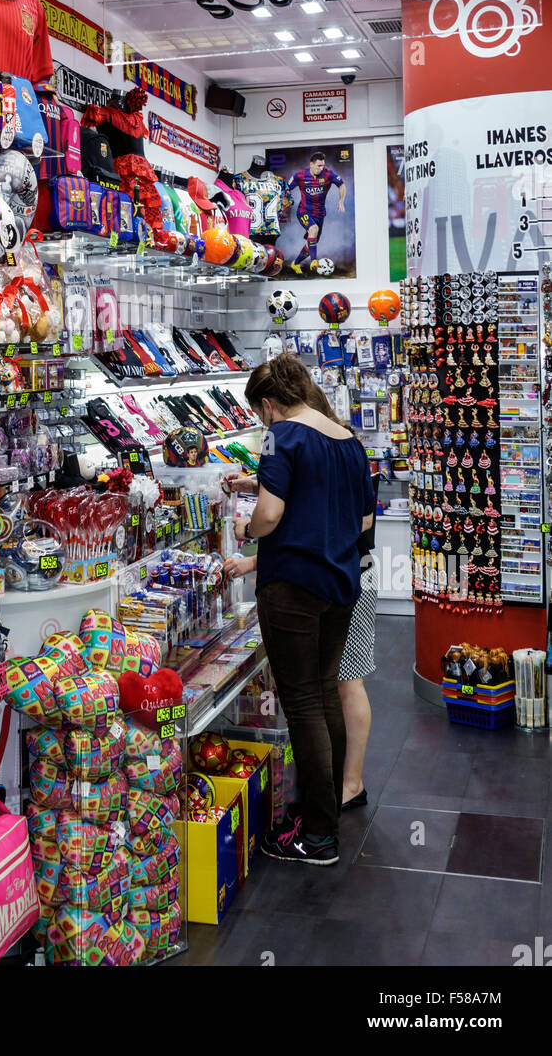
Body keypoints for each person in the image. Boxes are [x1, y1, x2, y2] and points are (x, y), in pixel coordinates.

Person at [223, 354, 374, 865]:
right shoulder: (347, 439)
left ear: (269, 404)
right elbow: (357, 519)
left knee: (303, 702)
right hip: (340, 583)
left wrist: (246, 532)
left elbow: (269, 514)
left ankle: (319, 835)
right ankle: (323, 813)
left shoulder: (283, 437)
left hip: (291, 587)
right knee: (325, 693)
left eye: (261, 412)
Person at [287, 150, 346, 275]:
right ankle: (314, 260)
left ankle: (295, 263)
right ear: (311, 164)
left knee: (311, 242)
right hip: (304, 212)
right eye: (319, 165)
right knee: (313, 229)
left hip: (319, 214)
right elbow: (286, 189)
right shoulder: (300, 176)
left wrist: (341, 200)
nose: (321, 168)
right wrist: (285, 201)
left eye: (323, 165)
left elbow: (342, 185)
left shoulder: (328, 174)